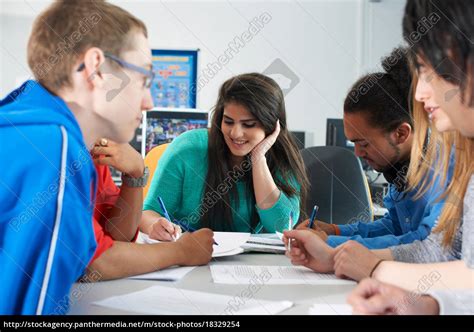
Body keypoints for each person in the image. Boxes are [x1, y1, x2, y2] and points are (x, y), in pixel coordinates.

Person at [284, 0, 474, 293]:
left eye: (432, 73)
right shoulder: (404, 170)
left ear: (401, 134)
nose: (422, 94)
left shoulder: (447, 162)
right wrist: (336, 237)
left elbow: (435, 250)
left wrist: (346, 254)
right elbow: (408, 235)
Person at [296, 47, 451, 249]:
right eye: (354, 143)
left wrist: (331, 243)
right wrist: (335, 230)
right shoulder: (400, 168)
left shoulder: (445, 171)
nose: (358, 153)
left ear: (401, 134)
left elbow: (423, 243)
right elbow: (394, 227)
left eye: (364, 144)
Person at [141, 73, 309, 239]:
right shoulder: (187, 148)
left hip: (251, 262)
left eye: (248, 124)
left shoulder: (282, 157)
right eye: (228, 121)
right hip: (188, 253)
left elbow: (280, 227)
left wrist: (258, 159)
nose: (235, 133)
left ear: (272, 126)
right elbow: (148, 212)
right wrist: (154, 226)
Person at [85, 139, 213, 281]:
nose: (141, 115)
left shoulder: (91, 149)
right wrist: (181, 251)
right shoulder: (64, 150)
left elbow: (119, 236)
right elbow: (94, 262)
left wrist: (135, 175)